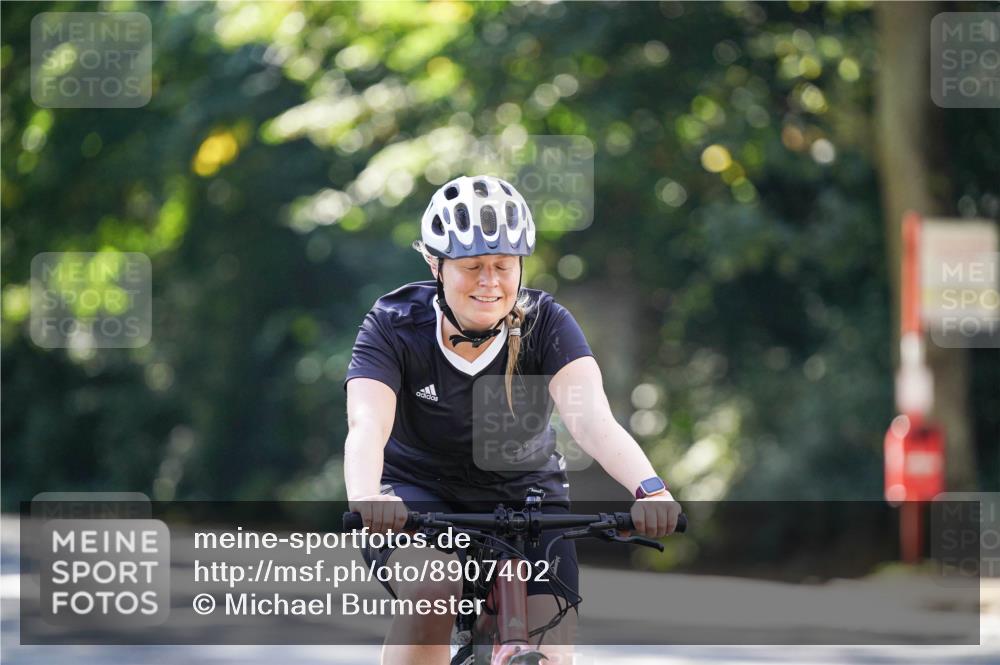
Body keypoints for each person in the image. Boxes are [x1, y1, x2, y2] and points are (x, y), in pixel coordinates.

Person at [344, 175, 682, 665]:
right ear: (436, 265)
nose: (490, 282)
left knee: (550, 650)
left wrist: (651, 489)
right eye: (472, 266)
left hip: (527, 494)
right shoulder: (393, 324)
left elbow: (593, 422)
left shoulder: (547, 323)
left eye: (503, 265)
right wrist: (366, 496)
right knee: (433, 587)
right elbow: (367, 424)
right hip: (415, 494)